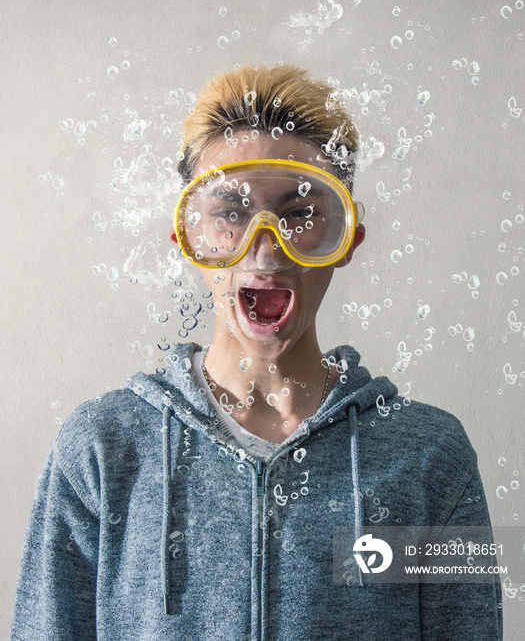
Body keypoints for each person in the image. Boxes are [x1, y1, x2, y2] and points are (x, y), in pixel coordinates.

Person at [11, 64, 502, 640]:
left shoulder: (430, 455)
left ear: (345, 239)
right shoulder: (101, 450)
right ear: (188, 239)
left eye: (299, 213)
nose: (265, 248)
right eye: (231, 213)